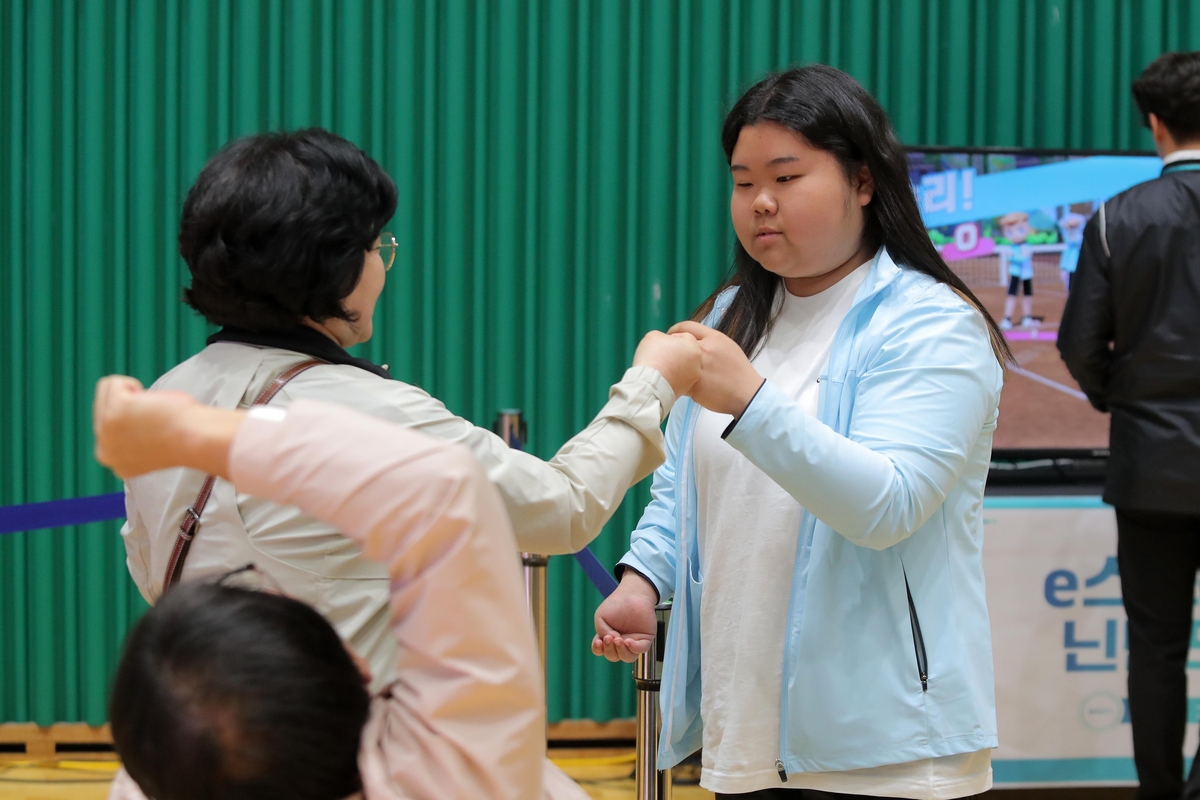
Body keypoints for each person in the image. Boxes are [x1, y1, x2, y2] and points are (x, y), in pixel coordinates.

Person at [123, 128, 696, 688]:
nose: (382, 265)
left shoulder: (163, 403)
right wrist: (653, 382)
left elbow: (151, 569)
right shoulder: (364, 413)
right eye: (376, 247)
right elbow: (563, 507)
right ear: (334, 263)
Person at [592, 65, 1010, 799]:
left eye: (786, 178)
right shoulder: (731, 317)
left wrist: (752, 402)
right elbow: (683, 488)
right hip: (745, 739)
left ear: (863, 182)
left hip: (886, 758)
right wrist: (643, 578)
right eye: (742, 180)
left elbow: (888, 506)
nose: (759, 203)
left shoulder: (932, 323)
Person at [98, 364, 716, 800]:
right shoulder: (456, 779)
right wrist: (194, 434)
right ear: (360, 673)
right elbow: (445, 492)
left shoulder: (153, 780)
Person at [1058, 50, 1200, 800]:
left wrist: (1125, 401)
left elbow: (1078, 345)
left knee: (1155, 647)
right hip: (1154, 457)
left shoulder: (1118, 216)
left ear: (1153, 124)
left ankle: (1160, 794)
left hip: (1150, 468)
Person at [998, 211, 1035, 329]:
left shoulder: (1026, 247)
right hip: (1015, 274)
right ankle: (1007, 318)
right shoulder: (1012, 248)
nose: (1015, 234)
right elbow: (1016, 257)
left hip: (1026, 274)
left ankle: (1027, 317)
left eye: (1019, 230)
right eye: (1010, 231)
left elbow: (1024, 257)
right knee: (1012, 295)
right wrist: (1014, 256)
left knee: (1027, 295)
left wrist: (1014, 256)